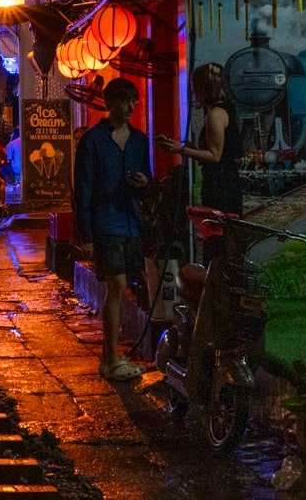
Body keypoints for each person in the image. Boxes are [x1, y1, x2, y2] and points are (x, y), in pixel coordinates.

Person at [75, 77, 152, 382]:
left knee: (123, 287)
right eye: (124, 101)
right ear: (110, 104)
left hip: (131, 221)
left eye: (134, 101)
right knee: (116, 285)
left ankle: (111, 358)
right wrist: (86, 235)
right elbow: (82, 189)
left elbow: (146, 176)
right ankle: (110, 358)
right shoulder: (92, 141)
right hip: (105, 220)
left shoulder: (138, 140)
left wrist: (145, 184)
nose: (131, 106)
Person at [157, 62, 242, 264]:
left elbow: (214, 155)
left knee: (216, 235)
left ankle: (216, 277)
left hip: (219, 182)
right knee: (224, 234)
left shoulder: (214, 114)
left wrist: (181, 150)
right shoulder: (226, 109)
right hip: (228, 179)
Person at [4, 128, 22, 201]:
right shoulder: (28, 142)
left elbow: (9, 159)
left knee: (3, 168)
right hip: (28, 168)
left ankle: (11, 183)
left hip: (16, 169)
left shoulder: (11, 144)